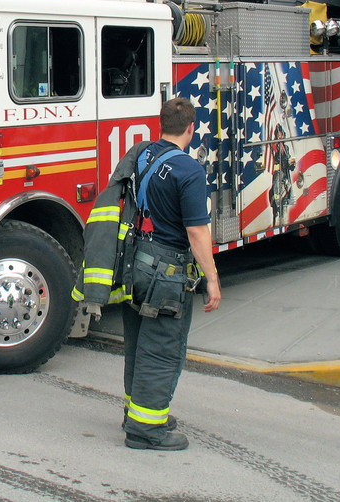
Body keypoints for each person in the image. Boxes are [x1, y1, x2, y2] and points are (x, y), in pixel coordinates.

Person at [79, 97, 220, 452]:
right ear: (191, 128)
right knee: (161, 350)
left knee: (139, 346)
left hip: (134, 265)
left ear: (161, 125)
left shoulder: (142, 155)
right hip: (167, 273)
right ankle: (146, 430)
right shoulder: (189, 171)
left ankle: (138, 412)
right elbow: (197, 232)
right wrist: (213, 280)